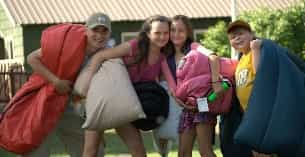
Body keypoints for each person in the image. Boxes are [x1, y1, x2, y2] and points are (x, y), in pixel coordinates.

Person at [81, 15, 176, 157]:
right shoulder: (133, 46)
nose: (162, 37)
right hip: (102, 101)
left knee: (139, 152)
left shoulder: (161, 58)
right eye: (157, 33)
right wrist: (85, 86)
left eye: (165, 33)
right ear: (148, 33)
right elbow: (100, 57)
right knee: (90, 151)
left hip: (124, 107)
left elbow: (171, 86)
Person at [22, 12, 112, 157]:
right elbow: (32, 58)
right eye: (95, 30)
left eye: (104, 31)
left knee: (95, 151)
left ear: (109, 34)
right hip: (45, 100)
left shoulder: (108, 55)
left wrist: (98, 132)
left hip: (71, 106)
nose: (100, 35)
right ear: (86, 30)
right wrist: (56, 81)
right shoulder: (68, 44)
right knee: (35, 150)